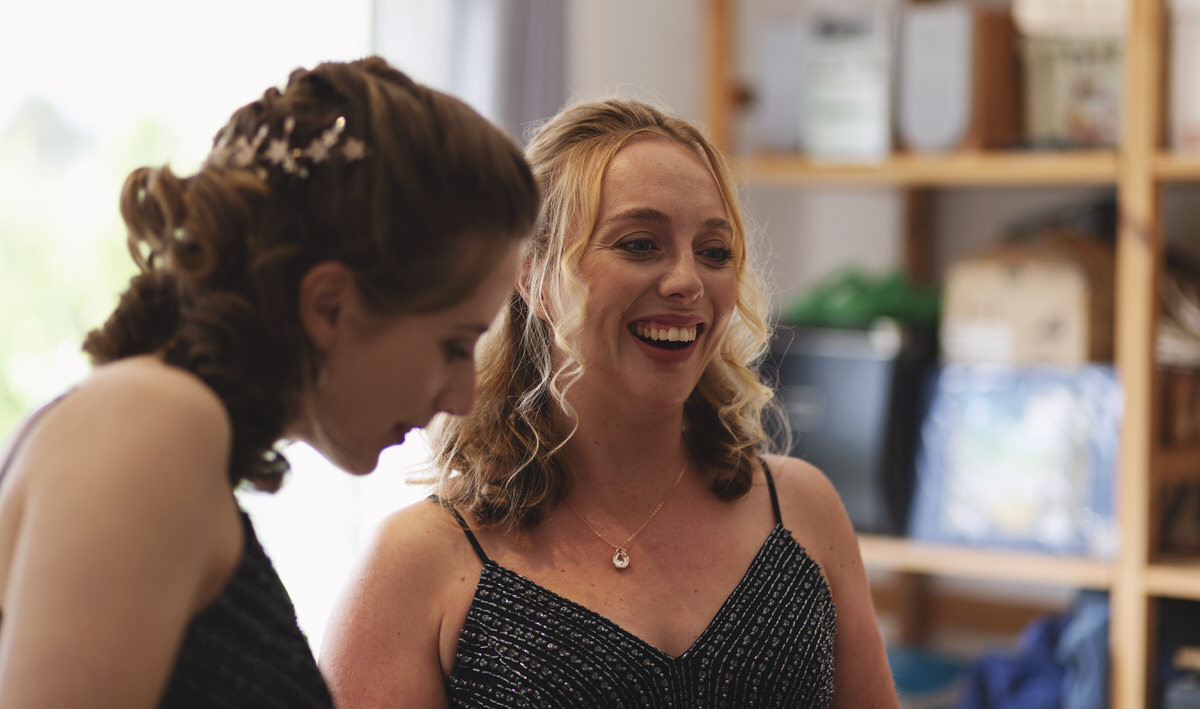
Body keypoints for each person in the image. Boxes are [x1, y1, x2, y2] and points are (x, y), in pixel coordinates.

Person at [321, 98, 898, 708]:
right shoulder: (422, 562)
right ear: (533, 275)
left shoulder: (803, 512)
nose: (687, 282)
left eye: (714, 251)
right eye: (640, 244)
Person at [0, 56, 538, 708]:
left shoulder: (163, 426)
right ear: (331, 306)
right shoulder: (156, 419)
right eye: (454, 345)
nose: (461, 395)